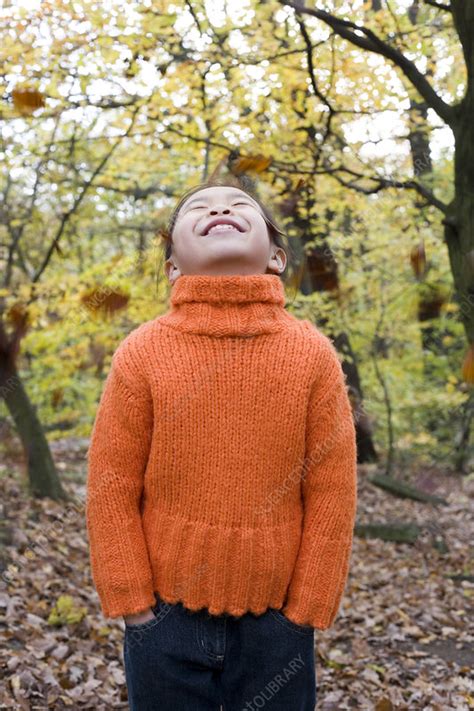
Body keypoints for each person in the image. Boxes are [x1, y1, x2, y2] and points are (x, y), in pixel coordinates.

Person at [85, 179, 358, 711]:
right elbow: (111, 482)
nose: (220, 209)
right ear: (172, 267)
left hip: (277, 626)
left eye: (240, 207)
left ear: (276, 257)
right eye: (198, 209)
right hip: (162, 619)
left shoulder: (311, 354)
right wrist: (134, 604)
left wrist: (306, 607)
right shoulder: (142, 351)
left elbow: (332, 489)